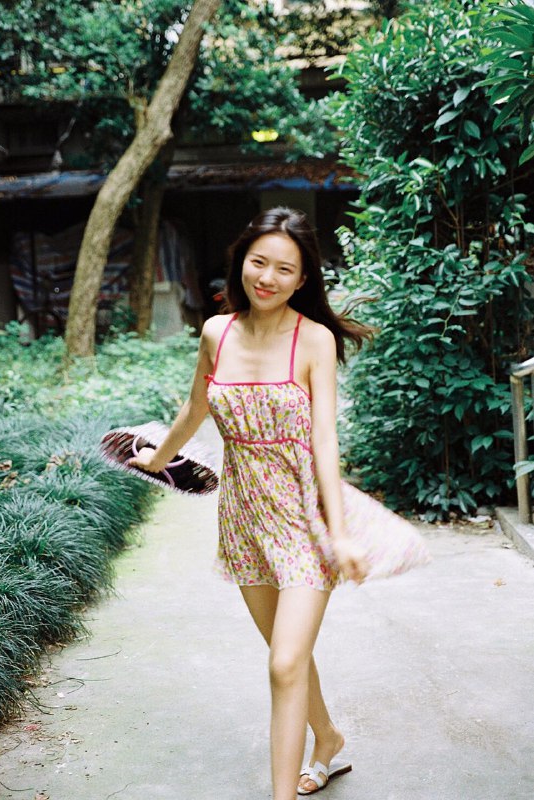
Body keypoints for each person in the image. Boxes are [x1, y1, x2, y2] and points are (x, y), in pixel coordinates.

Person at [128, 207, 430, 800]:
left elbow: (325, 439)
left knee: (283, 663)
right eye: (258, 262)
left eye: (284, 269)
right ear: (241, 260)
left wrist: (338, 532)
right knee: (286, 654)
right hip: (243, 515)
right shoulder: (217, 333)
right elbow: (196, 407)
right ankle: (328, 739)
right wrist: (159, 459)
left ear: (302, 278)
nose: (267, 277)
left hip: (302, 517)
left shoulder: (313, 339)